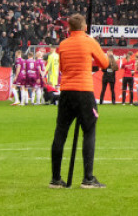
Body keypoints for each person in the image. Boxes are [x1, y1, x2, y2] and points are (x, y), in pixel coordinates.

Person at [48, 14, 109, 189]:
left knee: (60, 133)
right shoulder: (89, 41)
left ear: (69, 28)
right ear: (84, 26)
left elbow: (62, 67)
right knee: (89, 131)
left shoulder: (63, 45)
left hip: (67, 91)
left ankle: (55, 178)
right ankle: (88, 178)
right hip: (84, 91)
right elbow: (104, 63)